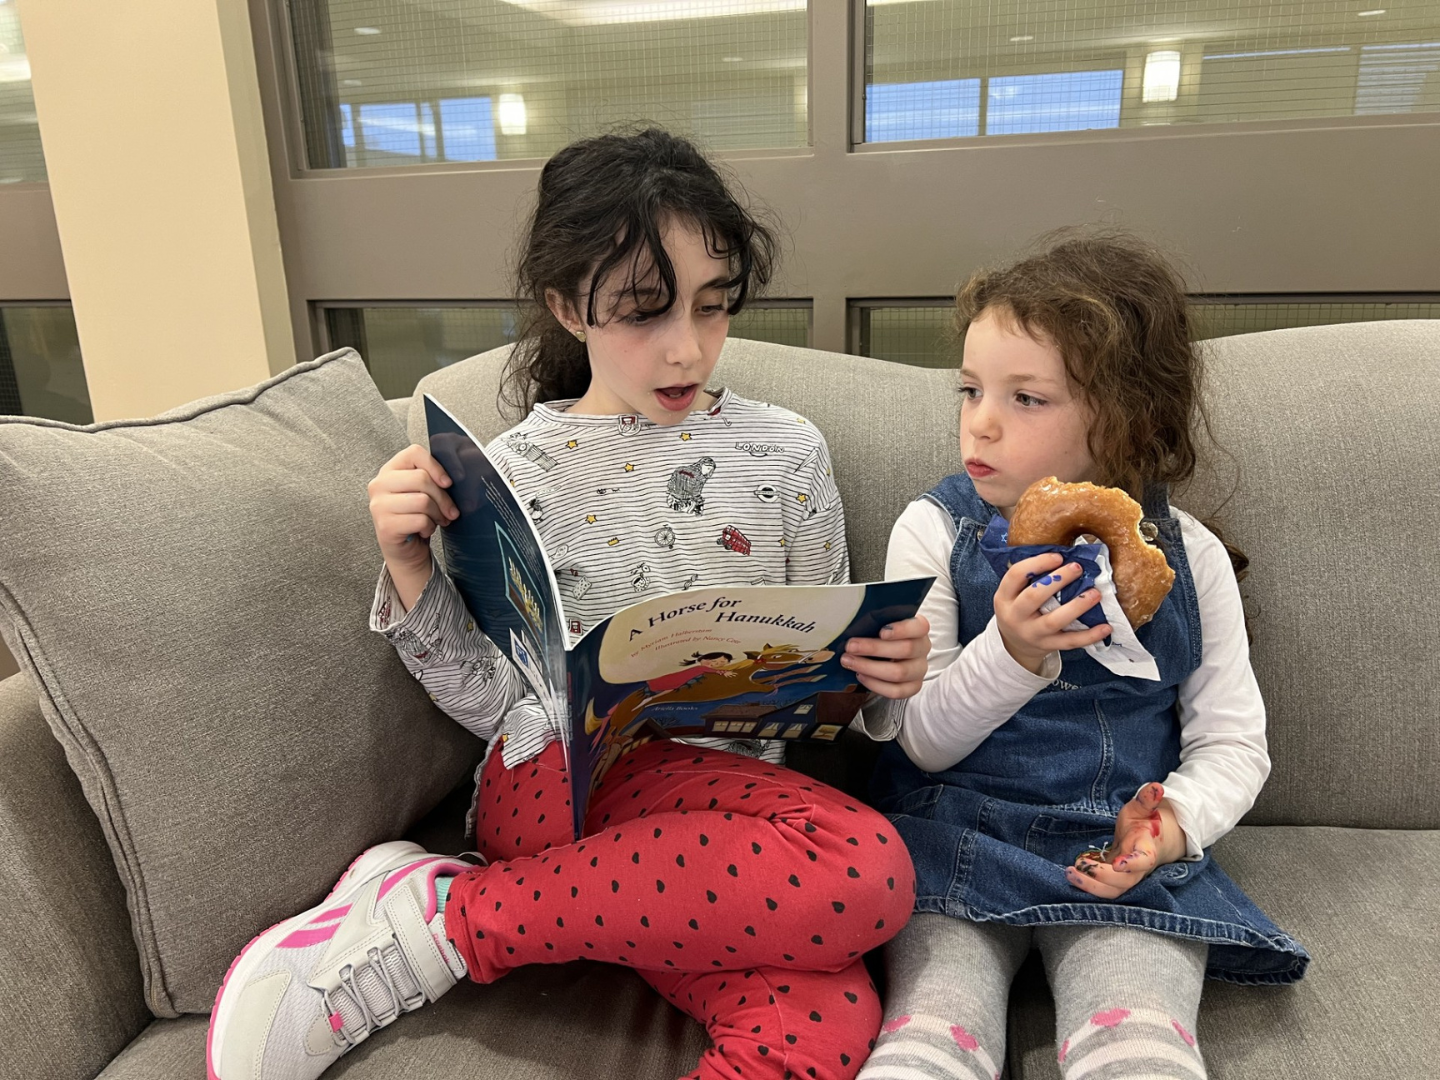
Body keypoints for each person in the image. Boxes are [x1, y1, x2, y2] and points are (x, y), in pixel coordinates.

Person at [206, 128, 931, 1080]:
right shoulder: (511, 473)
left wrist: (878, 682)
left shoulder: (787, 453)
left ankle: (447, 922)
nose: (687, 347)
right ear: (565, 305)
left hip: (722, 827)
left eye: (713, 306)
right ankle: (454, 927)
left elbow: (818, 684)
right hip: (555, 792)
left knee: (826, 1019)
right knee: (866, 868)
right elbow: (492, 706)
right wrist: (410, 566)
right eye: (643, 311)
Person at [856, 231, 1308, 1080]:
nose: (981, 421)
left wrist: (1171, 828)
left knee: (1139, 1041)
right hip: (956, 837)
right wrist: (1011, 651)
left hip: (1115, 855)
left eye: (1027, 398)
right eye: (970, 389)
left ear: (1128, 416)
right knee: (930, 1033)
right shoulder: (934, 530)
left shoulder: (1192, 557)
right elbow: (922, 741)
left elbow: (1233, 743)